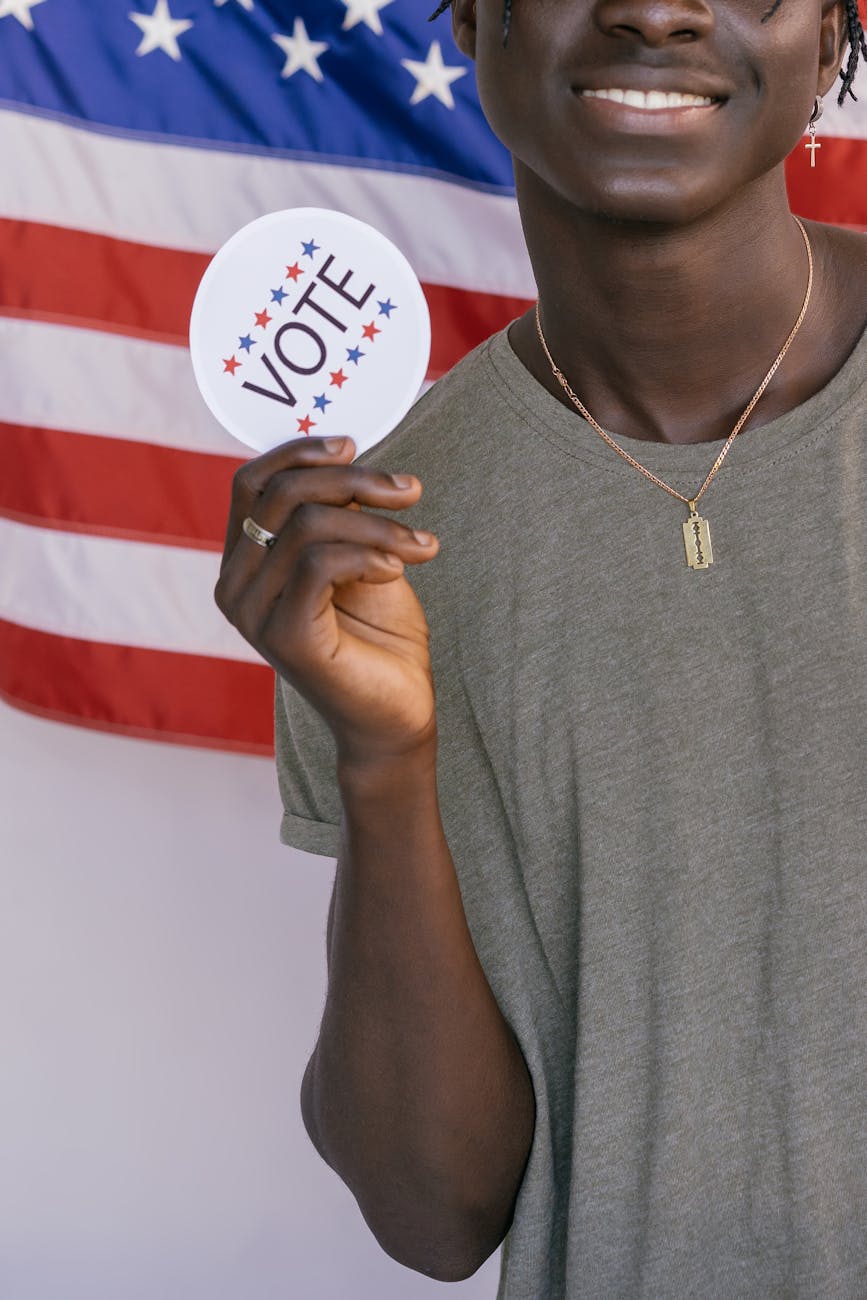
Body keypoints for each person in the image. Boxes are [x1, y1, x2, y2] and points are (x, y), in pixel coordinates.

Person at [214, 0, 867, 1293]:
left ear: (838, 34)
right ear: (469, 15)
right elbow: (435, 1214)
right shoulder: (370, 537)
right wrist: (386, 758)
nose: (656, 8)